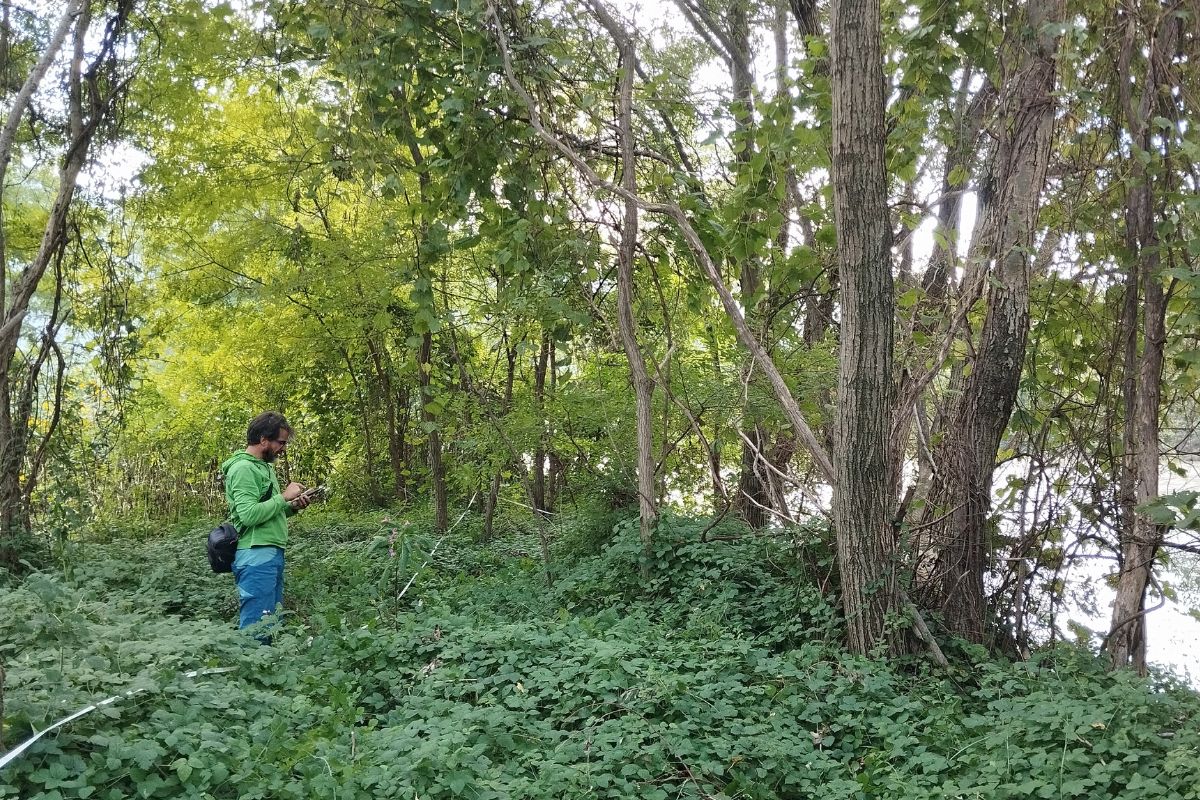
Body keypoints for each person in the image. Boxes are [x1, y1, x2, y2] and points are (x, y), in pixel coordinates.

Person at [219, 411, 312, 639]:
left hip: (271, 552)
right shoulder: (242, 469)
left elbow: (267, 512)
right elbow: (249, 515)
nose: (283, 448)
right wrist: (283, 497)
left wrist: (292, 507)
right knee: (256, 628)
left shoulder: (264, 467)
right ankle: (251, 671)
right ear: (263, 440)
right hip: (255, 555)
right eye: (280, 442)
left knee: (271, 623)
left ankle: (268, 668)